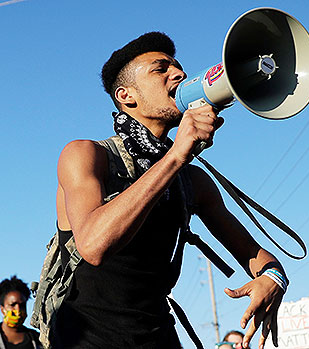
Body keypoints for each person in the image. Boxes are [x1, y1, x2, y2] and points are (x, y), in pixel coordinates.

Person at [53, 32, 286, 348]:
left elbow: (252, 253)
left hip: (157, 336)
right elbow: (94, 245)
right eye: (160, 69)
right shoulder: (88, 156)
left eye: (178, 68)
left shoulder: (191, 180)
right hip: (84, 338)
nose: (178, 74)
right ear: (127, 96)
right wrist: (176, 155)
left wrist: (273, 279)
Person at [0, 276, 41, 349]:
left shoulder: (38, 340)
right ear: (2, 309)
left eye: (22, 305)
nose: (18, 310)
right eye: (12, 305)